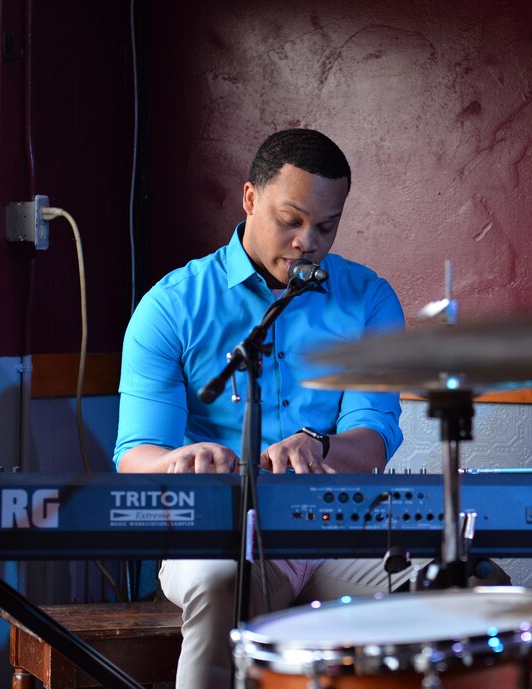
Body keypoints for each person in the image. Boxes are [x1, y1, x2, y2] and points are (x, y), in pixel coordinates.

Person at [113, 128, 408, 689]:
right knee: (222, 584)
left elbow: (370, 441)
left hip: (334, 529)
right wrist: (181, 460)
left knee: (426, 595)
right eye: (291, 220)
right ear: (250, 199)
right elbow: (135, 455)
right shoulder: (171, 306)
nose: (307, 242)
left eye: (326, 226)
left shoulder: (369, 299)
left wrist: (320, 446)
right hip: (217, 532)